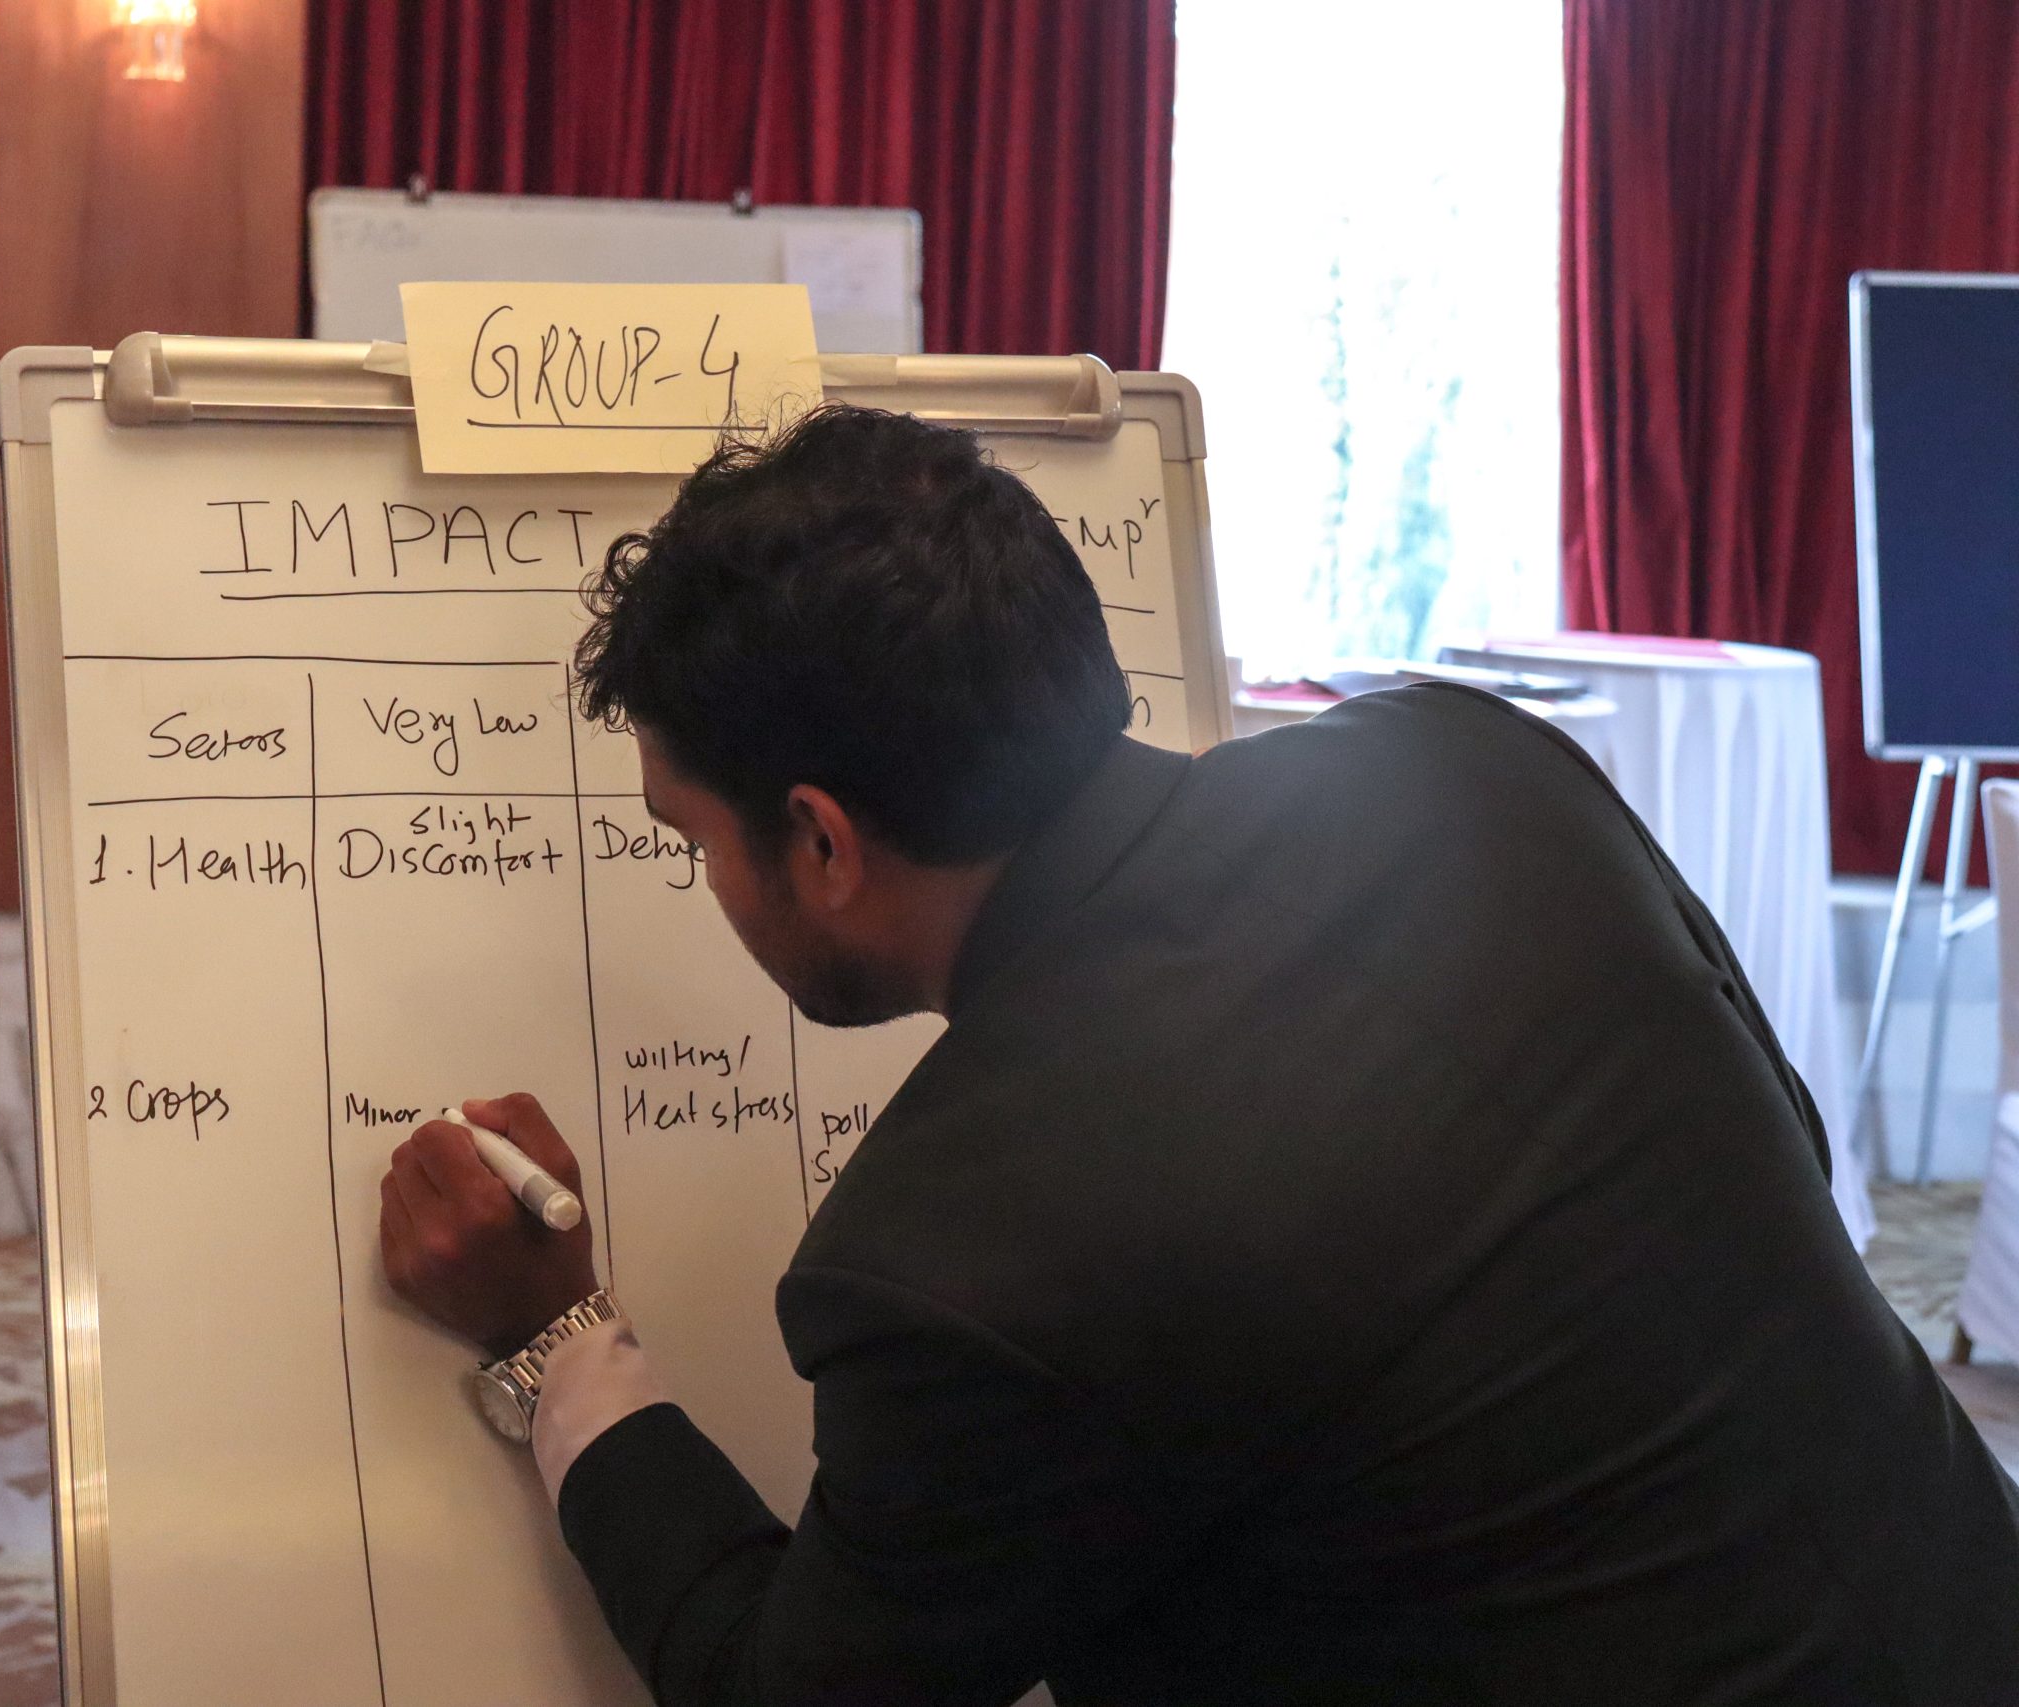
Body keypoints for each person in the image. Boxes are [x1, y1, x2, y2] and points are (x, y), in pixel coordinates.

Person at [376, 405, 2019, 1705]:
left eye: (691, 840)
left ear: (821, 841)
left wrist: (554, 1336)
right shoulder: (1467, 763)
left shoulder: (963, 1251)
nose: (705, 886)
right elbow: (1784, 1142)